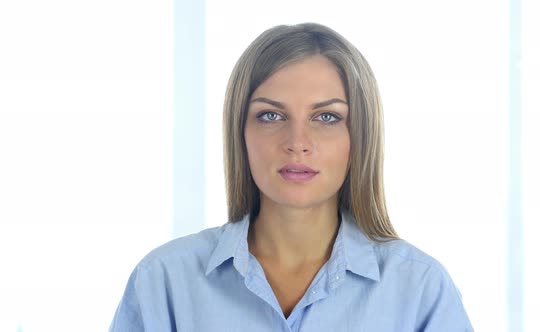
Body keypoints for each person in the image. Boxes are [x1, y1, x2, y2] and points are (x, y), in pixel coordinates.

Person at [109, 22, 473, 331]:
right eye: (271, 116)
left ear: (358, 136)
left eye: (326, 117)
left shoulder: (420, 289)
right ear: (241, 133)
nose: (297, 143)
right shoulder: (163, 282)